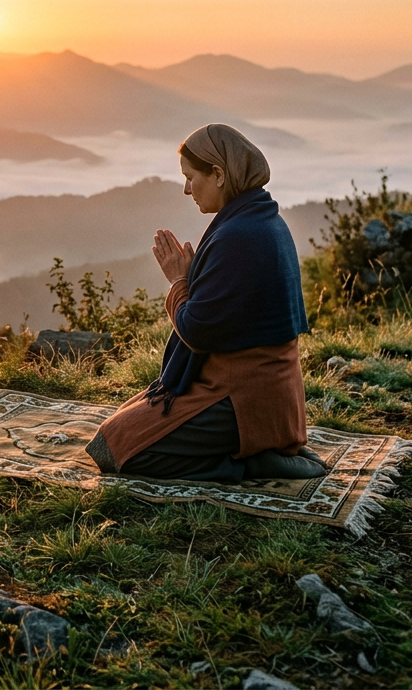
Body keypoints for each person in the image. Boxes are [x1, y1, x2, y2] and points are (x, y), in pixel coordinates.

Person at [85, 123, 326, 483]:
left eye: (190, 177)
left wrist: (179, 281)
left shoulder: (239, 236)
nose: (186, 189)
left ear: (218, 174)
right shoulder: (261, 218)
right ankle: (263, 448)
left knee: (116, 449)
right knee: (122, 423)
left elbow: (197, 332)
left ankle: (250, 463)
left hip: (242, 397)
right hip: (268, 391)